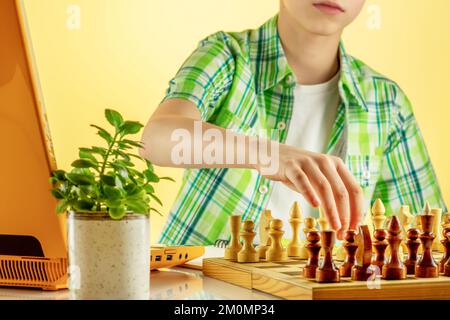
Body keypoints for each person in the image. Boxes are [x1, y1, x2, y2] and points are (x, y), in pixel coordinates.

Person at [139, 0, 446, 245]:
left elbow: (427, 235)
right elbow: (156, 140)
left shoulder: (387, 103)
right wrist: (270, 155)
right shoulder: (228, 55)